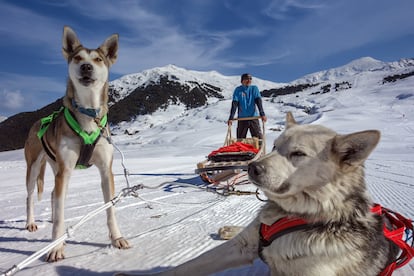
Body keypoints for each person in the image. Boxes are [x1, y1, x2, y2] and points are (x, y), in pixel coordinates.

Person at [227, 73, 267, 139]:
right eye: (246, 79)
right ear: (242, 81)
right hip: (242, 118)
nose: (249, 80)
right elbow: (235, 104)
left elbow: (258, 102)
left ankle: (259, 149)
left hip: (253, 117)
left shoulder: (254, 89)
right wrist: (231, 117)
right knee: (240, 140)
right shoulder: (238, 90)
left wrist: (262, 114)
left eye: (250, 79)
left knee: (258, 139)